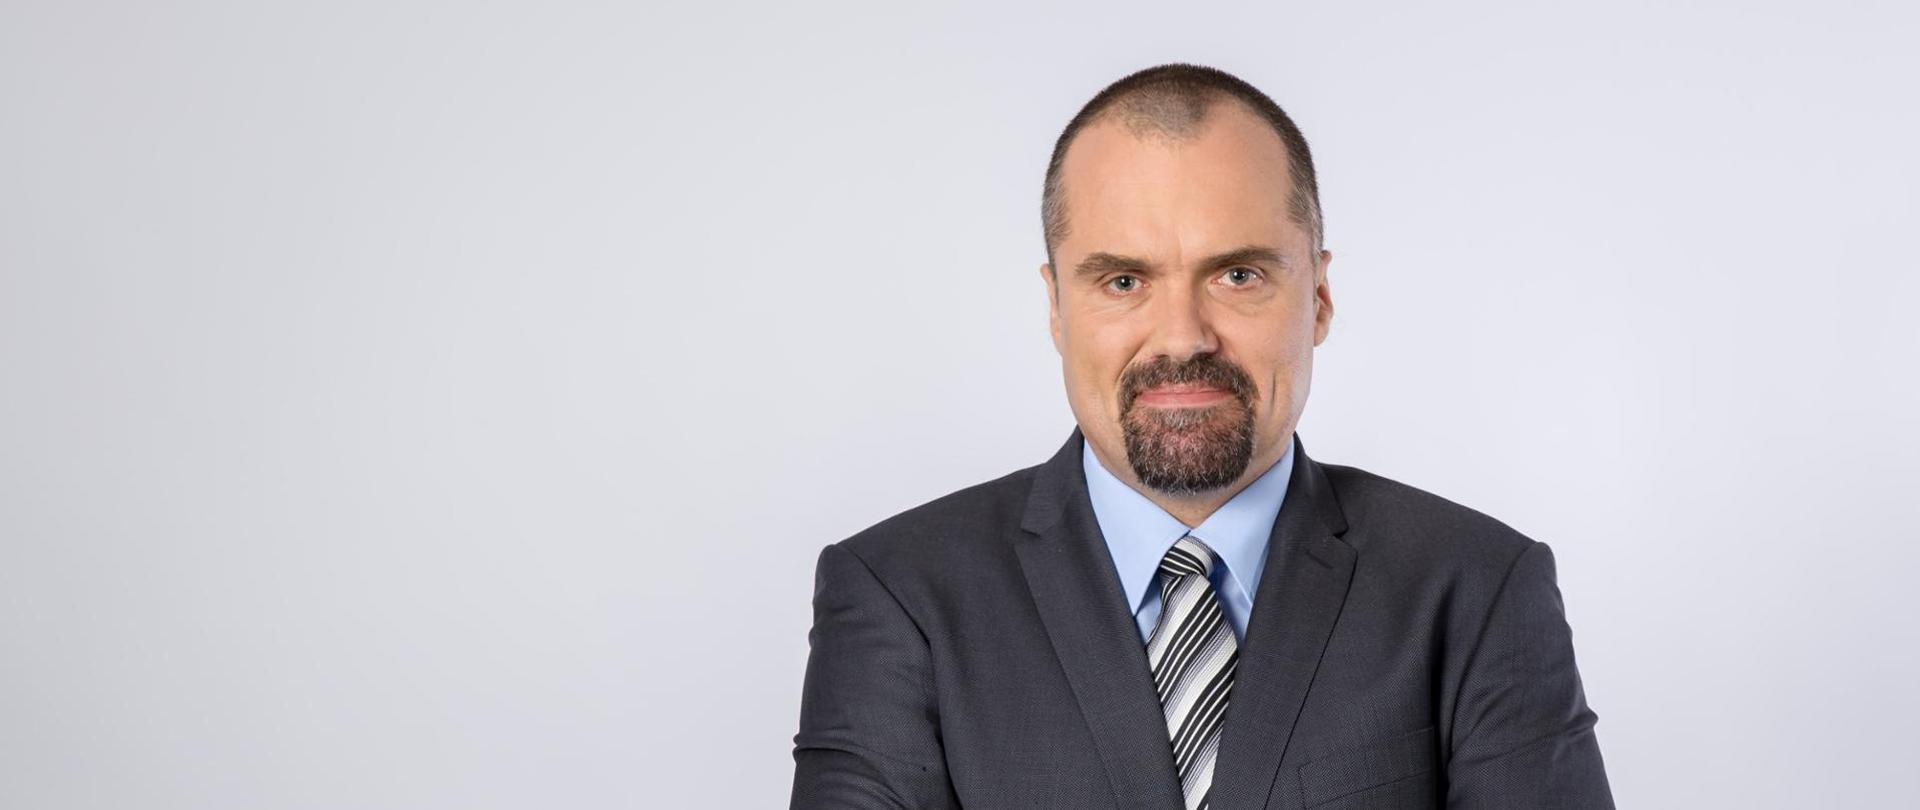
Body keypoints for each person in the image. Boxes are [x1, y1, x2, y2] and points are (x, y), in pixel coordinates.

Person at [789, 62, 1613, 810]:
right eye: (1123, 280)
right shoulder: (900, 596)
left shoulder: (1477, 587)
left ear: (1319, 298)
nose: (1182, 337)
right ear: (1056, 309)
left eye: (1238, 275)